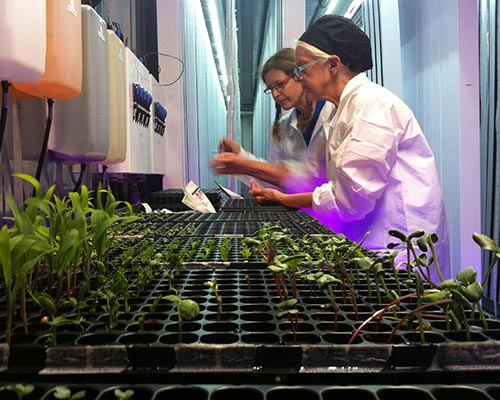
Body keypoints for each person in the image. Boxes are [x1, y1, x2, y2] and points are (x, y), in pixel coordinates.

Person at [249, 15, 450, 280]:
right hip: (375, 245)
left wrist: (284, 199)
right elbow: (317, 178)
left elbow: (351, 201)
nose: (300, 78)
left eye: (301, 69)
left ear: (332, 64)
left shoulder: (371, 105)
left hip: (400, 252)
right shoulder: (339, 110)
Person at [211, 48, 335, 194]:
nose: (276, 94)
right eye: (271, 89)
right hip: (304, 212)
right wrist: (240, 155)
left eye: (280, 84)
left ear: (300, 76)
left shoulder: (333, 113)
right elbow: (277, 180)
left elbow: (312, 178)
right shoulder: (283, 127)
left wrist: (245, 165)